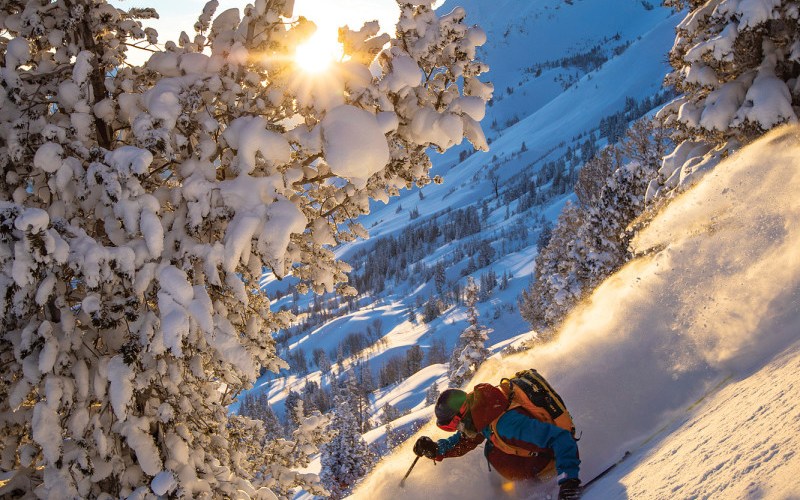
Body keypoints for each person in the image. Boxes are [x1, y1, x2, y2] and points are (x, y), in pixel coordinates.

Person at [413, 384, 582, 499]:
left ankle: (538, 487)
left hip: (554, 459)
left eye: (456, 425)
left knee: (493, 450)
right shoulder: (484, 411)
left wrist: (569, 482)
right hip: (538, 455)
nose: (459, 430)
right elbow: (463, 441)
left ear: (463, 414)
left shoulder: (506, 424)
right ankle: (525, 489)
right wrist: (436, 449)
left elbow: (561, 438)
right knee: (492, 449)